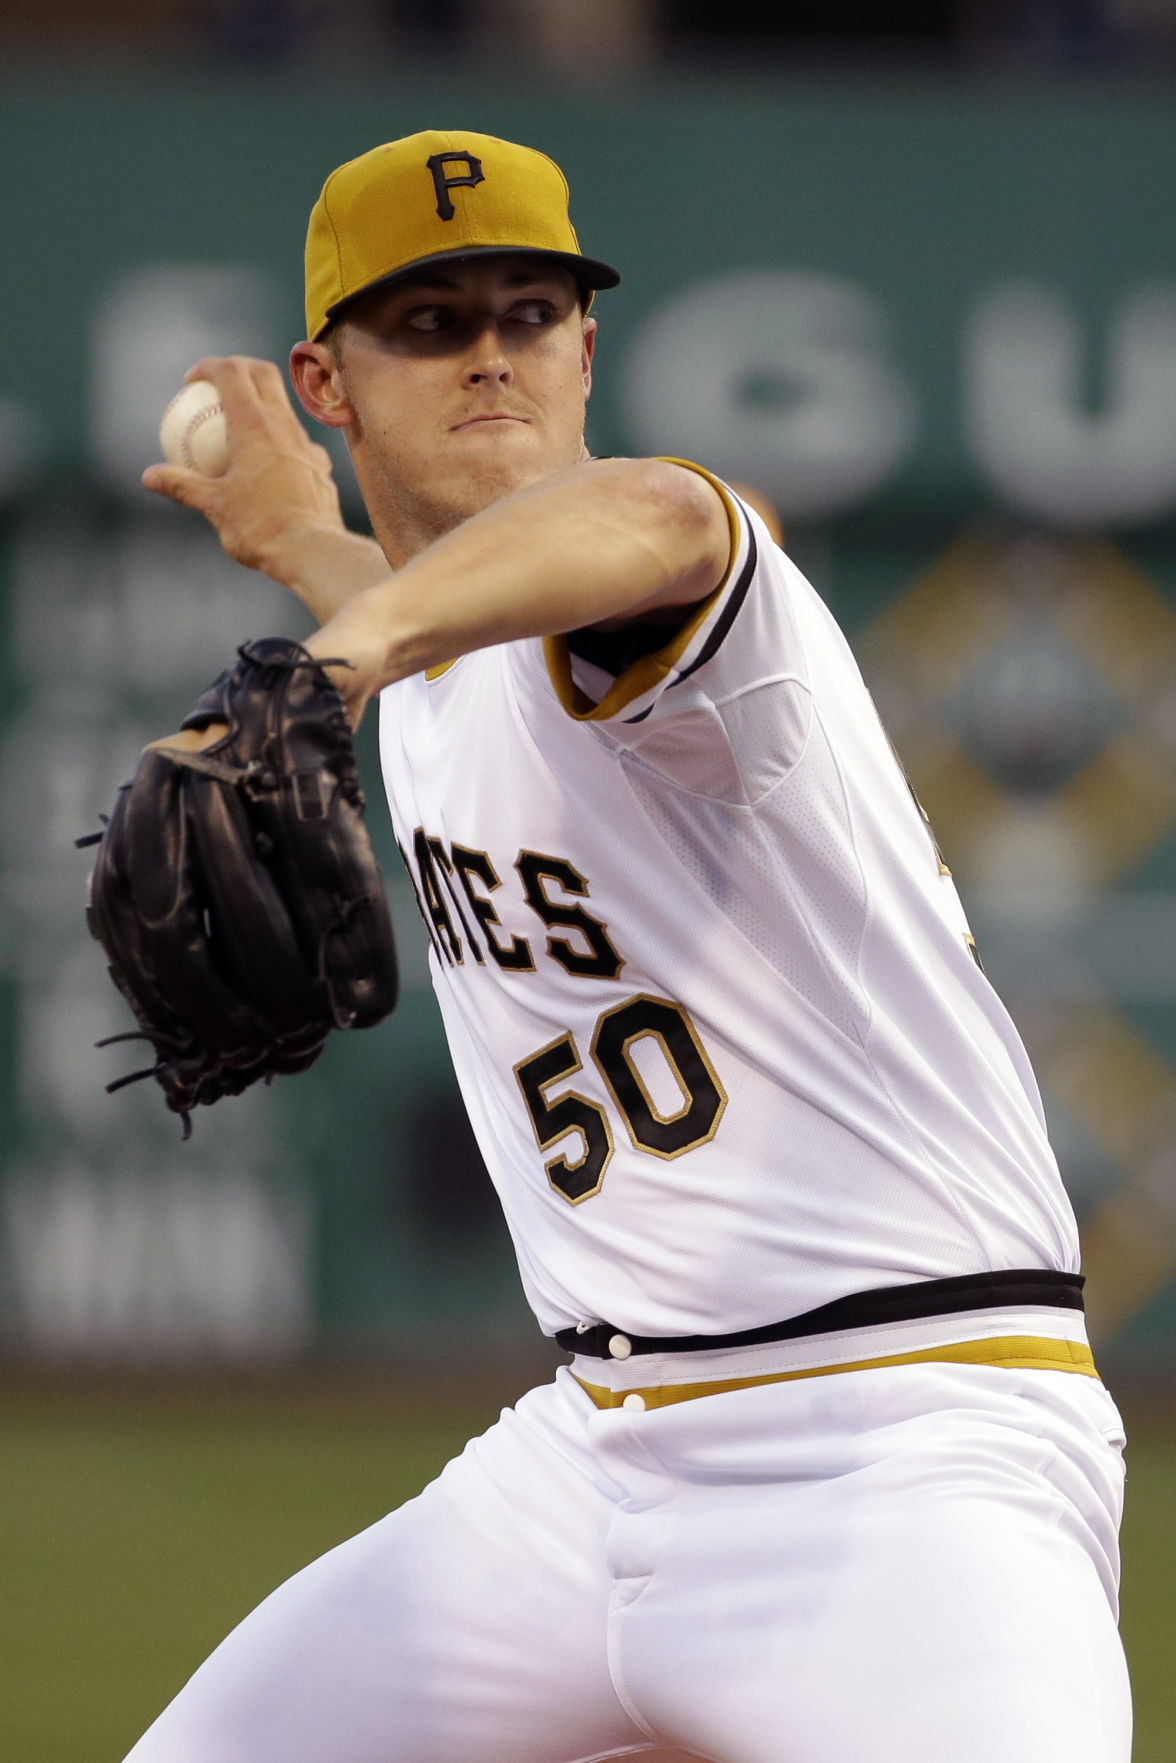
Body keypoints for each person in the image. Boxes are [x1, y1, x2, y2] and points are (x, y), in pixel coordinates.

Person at [125, 128, 1131, 1763]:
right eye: (433, 325)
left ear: (591, 346)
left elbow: (655, 522)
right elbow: (434, 607)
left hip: (906, 1444)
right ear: (329, 380)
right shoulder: (432, 639)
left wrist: (329, 653)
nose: (494, 357)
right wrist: (295, 543)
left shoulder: (684, 617)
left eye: (532, 314)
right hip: (591, 1460)